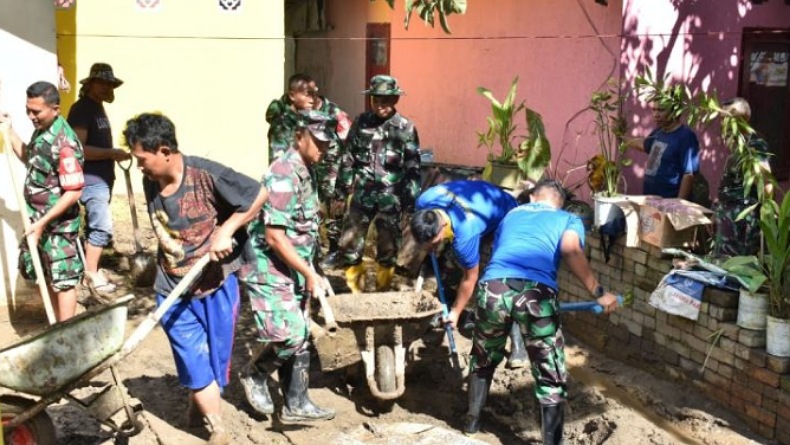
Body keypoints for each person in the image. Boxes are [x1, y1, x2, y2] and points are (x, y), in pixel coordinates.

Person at [123, 112, 267, 444]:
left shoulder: (206, 174)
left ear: (164, 150)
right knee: (192, 355)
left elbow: (257, 193)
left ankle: (199, 400)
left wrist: (227, 229)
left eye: (142, 158)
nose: (140, 166)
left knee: (217, 359)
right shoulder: (150, 179)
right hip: (171, 286)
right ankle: (217, 428)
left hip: (215, 284)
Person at [461, 179, 618, 444]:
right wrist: (600, 293)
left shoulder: (512, 214)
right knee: (549, 372)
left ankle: (471, 422)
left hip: (493, 288)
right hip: (536, 295)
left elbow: (500, 250)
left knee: (484, 355)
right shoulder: (568, 219)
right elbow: (570, 249)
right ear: (560, 202)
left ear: (533, 197)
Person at [238, 110, 335, 422]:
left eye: (326, 143)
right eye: (317, 141)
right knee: (289, 334)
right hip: (269, 266)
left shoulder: (307, 170)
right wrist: (308, 272)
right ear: (299, 137)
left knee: (302, 330)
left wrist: (313, 269)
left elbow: (303, 232)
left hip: (293, 266)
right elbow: (275, 236)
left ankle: (297, 403)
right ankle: (254, 373)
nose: (323, 148)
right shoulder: (283, 173)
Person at [409, 180, 528, 368]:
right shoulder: (424, 201)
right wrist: (430, 245)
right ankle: (444, 311)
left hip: (507, 215)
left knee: (505, 281)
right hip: (482, 199)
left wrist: (456, 312)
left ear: (441, 228)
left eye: (433, 241)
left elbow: (470, 277)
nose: (429, 247)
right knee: (448, 265)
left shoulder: (464, 235)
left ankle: (518, 346)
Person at [1, 81, 85, 322]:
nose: (31, 116)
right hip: (37, 221)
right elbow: (29, 157)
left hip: (58, 227)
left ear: (55, 109)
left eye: (36, 111)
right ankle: (56, 325)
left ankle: (66, 331)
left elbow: (73, 192)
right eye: (28, 110)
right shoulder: (42, 132)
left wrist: (41, 223)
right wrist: (9, 129)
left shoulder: (65, 143)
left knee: (63, 279)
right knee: (39, 273)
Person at [335, 75, 421, 293]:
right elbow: (348, 158)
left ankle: (382, 296)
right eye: (376, 100)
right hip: (362, 195)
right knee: (350, 245)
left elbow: (413, 168)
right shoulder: (361, 123)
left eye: (386, 100)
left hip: (390, 198)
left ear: (395, 100)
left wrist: (410, 205)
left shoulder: (406, 128)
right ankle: (356, 294)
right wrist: (340, 191)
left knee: (388, 248)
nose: (381, 105)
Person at [67, 62, 131, 299]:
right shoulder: (83, 109)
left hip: (101, 178)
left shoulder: (96, 107)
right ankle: (91, 275)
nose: (107, 87)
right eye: (102, 82)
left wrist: (113, 154)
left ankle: (88, 270)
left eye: (109, 83)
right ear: (91, 84)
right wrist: (111, 153)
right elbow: (78, 149)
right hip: (90, 179)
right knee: (102, 228)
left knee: (93, 227)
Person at [713, 97, 773, 257]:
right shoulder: (738, 144)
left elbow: (766, 179)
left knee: (735, 266)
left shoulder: (754, 145)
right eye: (721, 119)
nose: (723, 124)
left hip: (741, 219)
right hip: (728, 215)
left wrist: (768, 211)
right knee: (723, 263)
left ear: (743, 119)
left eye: (728, 118)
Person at [310, 80, 352, 269]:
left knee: (334, 211)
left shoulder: (336, 114)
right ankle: (314, 250)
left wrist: (348, 176)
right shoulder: (303, 114)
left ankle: (335, 250)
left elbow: (350, 145)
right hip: (312, 169)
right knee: (313, 208)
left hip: (334, 172)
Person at [629, 99, 703, 202]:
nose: (656, 114)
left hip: (670, 203)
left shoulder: (685, 136)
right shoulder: (658, 132)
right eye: (654, 110)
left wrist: (679, 203)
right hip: (650, 201)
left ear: (674, 111)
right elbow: (645, 145)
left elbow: (688, 175)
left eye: (661, 110)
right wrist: (622, 138)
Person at [265, 73, 317, 163]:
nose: (312, 100)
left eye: (313, 94)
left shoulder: (304, 120)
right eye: (307, 94)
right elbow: (279, 166)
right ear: (292, 96)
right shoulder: (281, 126)